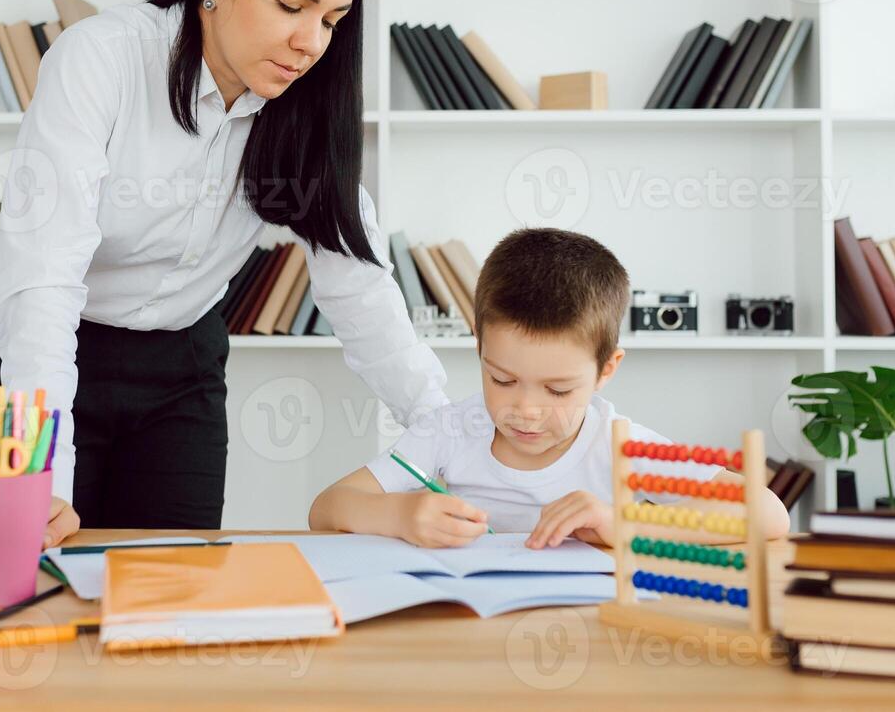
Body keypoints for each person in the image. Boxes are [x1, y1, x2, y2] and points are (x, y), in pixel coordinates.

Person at [0, 0, 452, 541]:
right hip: (35, 344)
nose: (311, 43)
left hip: (180, 366)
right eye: (291, 5)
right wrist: (45, 473)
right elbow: (43, 275)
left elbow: (360, 287)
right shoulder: (104, 58)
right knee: (27, 568)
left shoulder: (298, 107)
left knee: (172, 593)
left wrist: (451, 435)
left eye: (331, 21)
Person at [309, 227, 791, 548]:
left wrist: (622, 524)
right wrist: (399, 515)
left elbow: (769, 515)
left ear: (607, 369)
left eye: (558, 390)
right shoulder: (449, 431)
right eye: (502, 379)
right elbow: (326, 508)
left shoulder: (617, 442)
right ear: (480, 348)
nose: (526, 409)